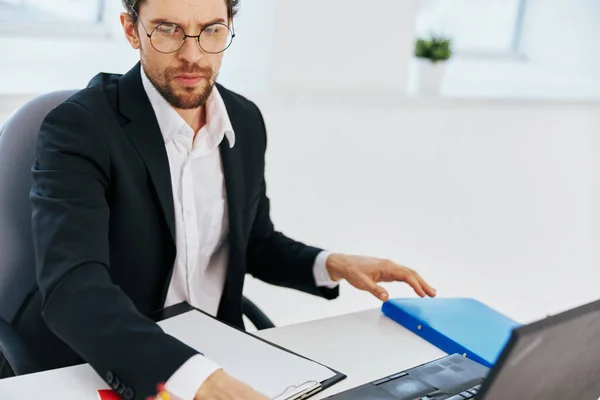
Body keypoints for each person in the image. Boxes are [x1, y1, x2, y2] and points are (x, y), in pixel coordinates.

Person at [5, 0, 436, 399]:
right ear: (131, 30)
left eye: (210, 30)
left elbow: (255, 242)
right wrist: (197, 380)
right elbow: (73, 289)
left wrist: (331, 264)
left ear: (229, 27)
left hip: (220, 354)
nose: (193, 54)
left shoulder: (244, 121)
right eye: (168, 29)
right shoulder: (80, 127)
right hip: (114, 360)